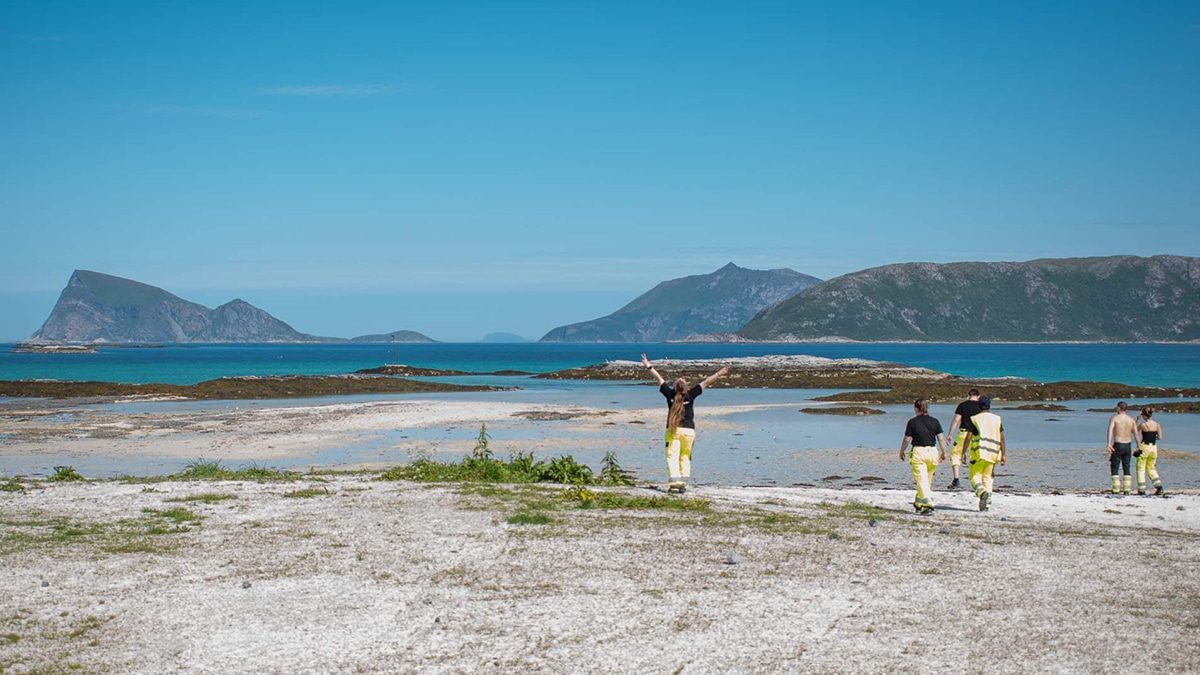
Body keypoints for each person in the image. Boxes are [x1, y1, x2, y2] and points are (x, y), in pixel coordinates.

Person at [641, 353, 731, 493]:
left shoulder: (670, 394)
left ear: (675, 387)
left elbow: (658, 378)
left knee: (672, 456)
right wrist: (719, 373)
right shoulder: (691, 394)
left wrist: (648, 365)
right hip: (689, 432)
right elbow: (706, 382)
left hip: (673, 431)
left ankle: (675, 483)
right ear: (686, 387)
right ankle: (683, 483)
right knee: (685, 457)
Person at [899, 399, 948, 515]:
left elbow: (907, 439)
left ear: (916, 408)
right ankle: (918, 502)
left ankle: (928, 504)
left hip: (919, 452)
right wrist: (944, 452)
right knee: (926, 480)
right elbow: (941, 439)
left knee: (921, 480)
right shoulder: (935, 421)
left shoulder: (912, 422)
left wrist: (902, 451)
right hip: (932, 452)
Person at [963, 395, 1005, 512]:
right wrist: (1004, 454)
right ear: (989, 405)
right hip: (993, 452)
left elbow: (968, 437)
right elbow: (1002, 438)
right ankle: (987, 504)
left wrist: (963, 452)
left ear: (979, 405)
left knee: (974, 476)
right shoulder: (997, 419)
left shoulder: (975, 419)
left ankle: (981, 492)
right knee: (988, 477)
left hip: (979, 453)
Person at [945, 388, 982, 489]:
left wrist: (950, 434)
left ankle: (956, 479)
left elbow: (956, 419)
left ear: (968, 395)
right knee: (976, 456)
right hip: (977, 434)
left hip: (964, 432)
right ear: (978, 396)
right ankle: (978, 480)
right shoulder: (981, 406)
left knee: (955, 454)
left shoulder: (962, 405)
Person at [1107, 401, 1137, 495]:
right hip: (1127, 444)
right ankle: (1127, 489)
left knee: (1115, 466)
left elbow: (1110, 431)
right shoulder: (1131, 419)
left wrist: (1109, 444)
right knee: (1126, 466)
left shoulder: (1114, 418)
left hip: (1118, 444)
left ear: (1119, 408)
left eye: (1117, 407)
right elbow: (1136, 434)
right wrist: (1138, 446)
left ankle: (1116, 489)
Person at [1135, 407, 1165, 496]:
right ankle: (1159, 487)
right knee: (1151, 468)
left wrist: (1137, 420)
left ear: (1144, 415)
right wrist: (1153, 437)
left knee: (1140, 468)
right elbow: (1160, 437)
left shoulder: (1143, 425)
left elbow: (1134, 431)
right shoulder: (1157, 424)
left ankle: (1141, 490)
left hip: (1145, 446)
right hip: (1154, 448)